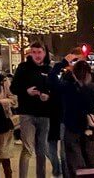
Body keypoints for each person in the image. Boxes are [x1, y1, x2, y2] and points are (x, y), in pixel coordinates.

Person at [12, 42, 55, 178]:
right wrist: (26, 91)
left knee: (41, 150)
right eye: (34, 52)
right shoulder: (23, 68)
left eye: (39, 52)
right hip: (27, 113)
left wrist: (47, 95)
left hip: (44, 114)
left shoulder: (49, 70)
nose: (37, 55)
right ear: (30, 53)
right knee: (27, 149)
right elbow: (13, 88)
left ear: (45, 53)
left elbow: (54, 91)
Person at [58, 59, 94, 178]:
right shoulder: (92, 88)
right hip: (88, 126)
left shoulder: (68, 87)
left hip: (72, 126)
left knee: (74, 159)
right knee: (90, 157)